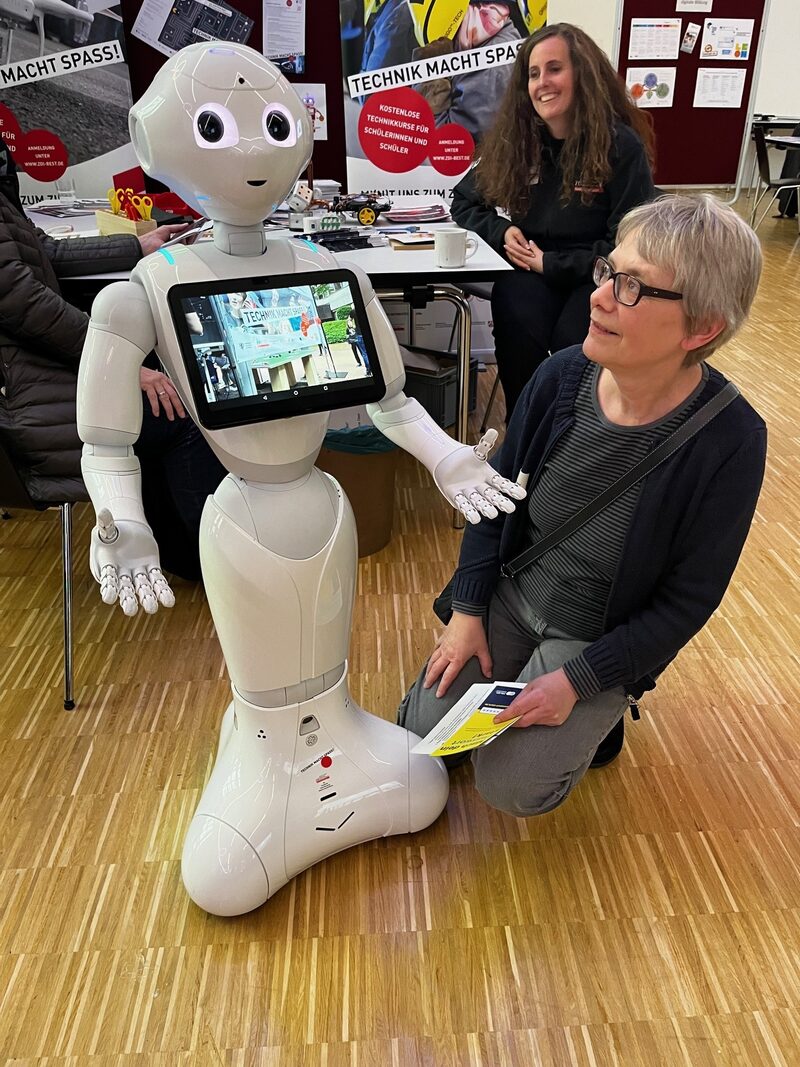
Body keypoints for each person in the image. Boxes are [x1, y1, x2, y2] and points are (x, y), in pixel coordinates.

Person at [398, 193, 767, 818]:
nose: (598, 297)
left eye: (633, 287)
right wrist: (467, 610)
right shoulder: (562, 376)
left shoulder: (730, 440)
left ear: (702, 328)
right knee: (420, 735)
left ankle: (601, 711)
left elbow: (687, 602)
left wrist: (581, 680)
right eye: (608, 271)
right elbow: (491, 501)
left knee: (511, 786)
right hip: (516, 597)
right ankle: (557, 698)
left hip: (596, 634)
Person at [0, 138, 226, 579]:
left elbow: (47, 252)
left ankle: (182, 553)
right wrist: (117, 363)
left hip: (40, 375)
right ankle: (212, 565)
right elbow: (23, 303)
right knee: (183, 411)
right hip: (31, 401)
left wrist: (137, 246)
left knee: (170, 386)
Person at [451, 22, 656, 420]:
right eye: (533, 73)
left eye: (554, 69)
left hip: (597, 273)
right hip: (532, 270)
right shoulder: (518, 141)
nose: (542, 82)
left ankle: (571, 431)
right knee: (515, 312)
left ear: (582, 74)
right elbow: (464, 200)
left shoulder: (620, 146)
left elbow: (630, 244)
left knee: (573, 341)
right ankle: (523, 427)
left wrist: (552, 263)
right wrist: (502, 231)